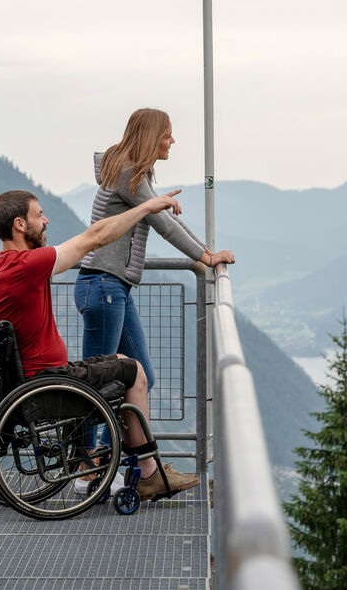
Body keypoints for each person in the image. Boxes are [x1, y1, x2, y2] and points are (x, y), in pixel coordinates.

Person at [0, 188, 199, 501]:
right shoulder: (28, 264)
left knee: (112, 363)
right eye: (39, 215)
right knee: (133, 371)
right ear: (20, 225)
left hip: (24, 385)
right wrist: (146, 207)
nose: (46, 220)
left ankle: (89, 462)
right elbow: (94, 237)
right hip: (50, 384)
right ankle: (149, 472)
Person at [74, 108, 234, 453]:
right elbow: (163, 224)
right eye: (167, 135)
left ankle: (108, 452)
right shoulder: (127, 172)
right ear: (150, 138)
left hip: (114, 288)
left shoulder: (133, 173)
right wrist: (205, 257)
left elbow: (165, 217)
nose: (172, 141)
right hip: (103, 285)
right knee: (95, 385)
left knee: (143, 374)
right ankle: (85, 464)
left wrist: (206, 252)